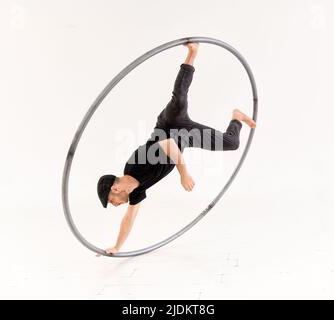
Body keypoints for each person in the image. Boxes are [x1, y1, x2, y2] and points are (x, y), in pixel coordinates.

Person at [96, 42, 256, 254]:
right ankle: (236, 117)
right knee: (232, 143)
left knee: (179, 98)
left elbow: (168, 144)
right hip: (186, 138)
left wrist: (184, 174)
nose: (116, 205)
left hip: (169, 125)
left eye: (112, 201)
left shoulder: (134, 165)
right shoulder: (136, 191)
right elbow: (129, 218)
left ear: (115, 189)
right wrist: (116, 247)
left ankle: (192, 52)